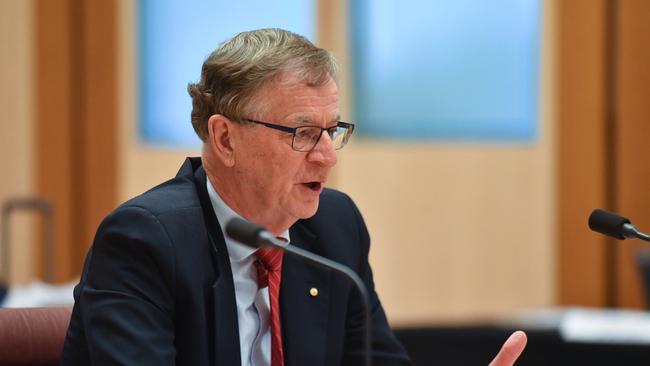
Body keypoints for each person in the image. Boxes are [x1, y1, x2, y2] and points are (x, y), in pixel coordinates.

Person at [60, 28, 526, 365]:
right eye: (303, 132)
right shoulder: (146, 241)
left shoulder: (334, 229)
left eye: (332, 131)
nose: (327, 157)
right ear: (225, 140)